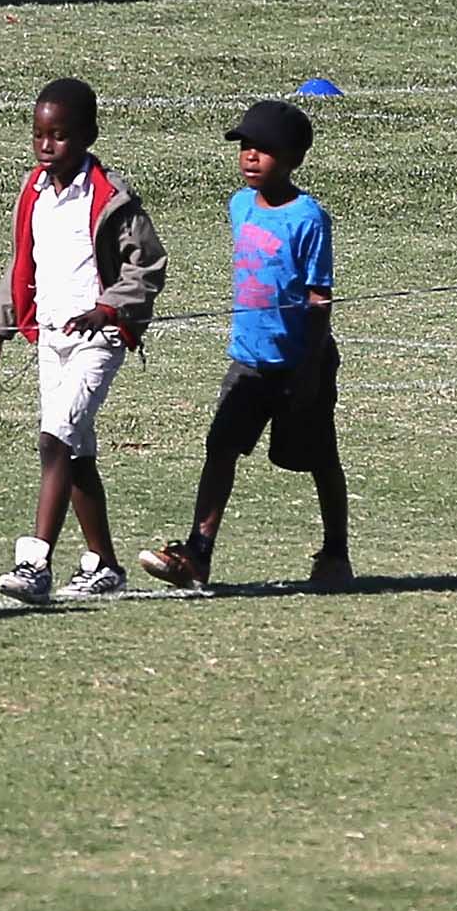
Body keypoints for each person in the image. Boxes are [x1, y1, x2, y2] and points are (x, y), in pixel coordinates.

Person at [138, 100, 348, 591]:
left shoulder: (308, 217)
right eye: (246, 147)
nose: (251, 157)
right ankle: (198, 552)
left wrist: (310, 367)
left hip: (299, 362)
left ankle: (336, 553)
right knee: (221, 449)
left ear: (295, 157)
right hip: (249, 362)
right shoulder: (239, 205)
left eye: (265, 150)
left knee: (318, 459)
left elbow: (319, 297)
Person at [0, 78, 167, 606]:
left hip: (99, 339)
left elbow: (147, 266)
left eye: (59, 136)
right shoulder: (34, 193)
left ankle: (35, 561)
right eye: (39, 135)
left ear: (87, 136)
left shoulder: (109, 197)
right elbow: (21, 267)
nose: (46, 146)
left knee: (54, 437)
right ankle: (104, 563)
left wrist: (107, 309)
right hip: (50, 340)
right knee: (76, 453)